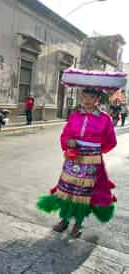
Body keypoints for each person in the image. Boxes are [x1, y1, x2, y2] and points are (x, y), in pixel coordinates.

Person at [37, 88, 117, 238]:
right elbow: (65, 134)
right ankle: (64, 220)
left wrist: (95, 149)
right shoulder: (74, 116)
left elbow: (111, 141)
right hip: (73, 158)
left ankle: (78, 224)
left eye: (91, 97)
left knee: (84, 193)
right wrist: (68, 141)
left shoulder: (105, 119)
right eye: (85, 96)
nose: (87, 100)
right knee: (68, 190)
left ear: (97, 99)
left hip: (91, 162)